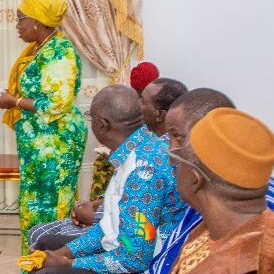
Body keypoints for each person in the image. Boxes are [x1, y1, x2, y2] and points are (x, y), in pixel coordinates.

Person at [36, 88, 274, 274]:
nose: (168, 152)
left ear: (196, 175)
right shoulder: (216, 217)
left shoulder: (238, 272)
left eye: (176, 138)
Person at [11, 85, 183, 274]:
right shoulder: (135, 151)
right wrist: (67, 252)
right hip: (128, 255)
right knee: (48, 248)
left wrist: (68, 265)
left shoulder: (142, 171)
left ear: (102, 125)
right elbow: (108, 227)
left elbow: (133, 256)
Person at [27, 78, 187, 251]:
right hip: (125, 238)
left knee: (45, 258)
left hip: (136, 252)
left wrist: (69, 261)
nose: (138, 105)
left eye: (142, 101)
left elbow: (134, 246)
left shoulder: (145, 162)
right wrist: (66, 253)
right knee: (44, 244)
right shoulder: (141, 147)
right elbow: (125, 201)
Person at [0, 0, 87, 257]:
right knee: (34, 207)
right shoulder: (39, 49)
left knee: (52, 206)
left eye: (21, 19)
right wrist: (11, 101)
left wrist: (15, 101)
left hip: (56, 142)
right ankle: (35, 273)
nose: (17, 25)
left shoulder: (59, 53)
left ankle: (49, 271)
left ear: (39, 22)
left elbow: (57, 103)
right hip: (39, 143)